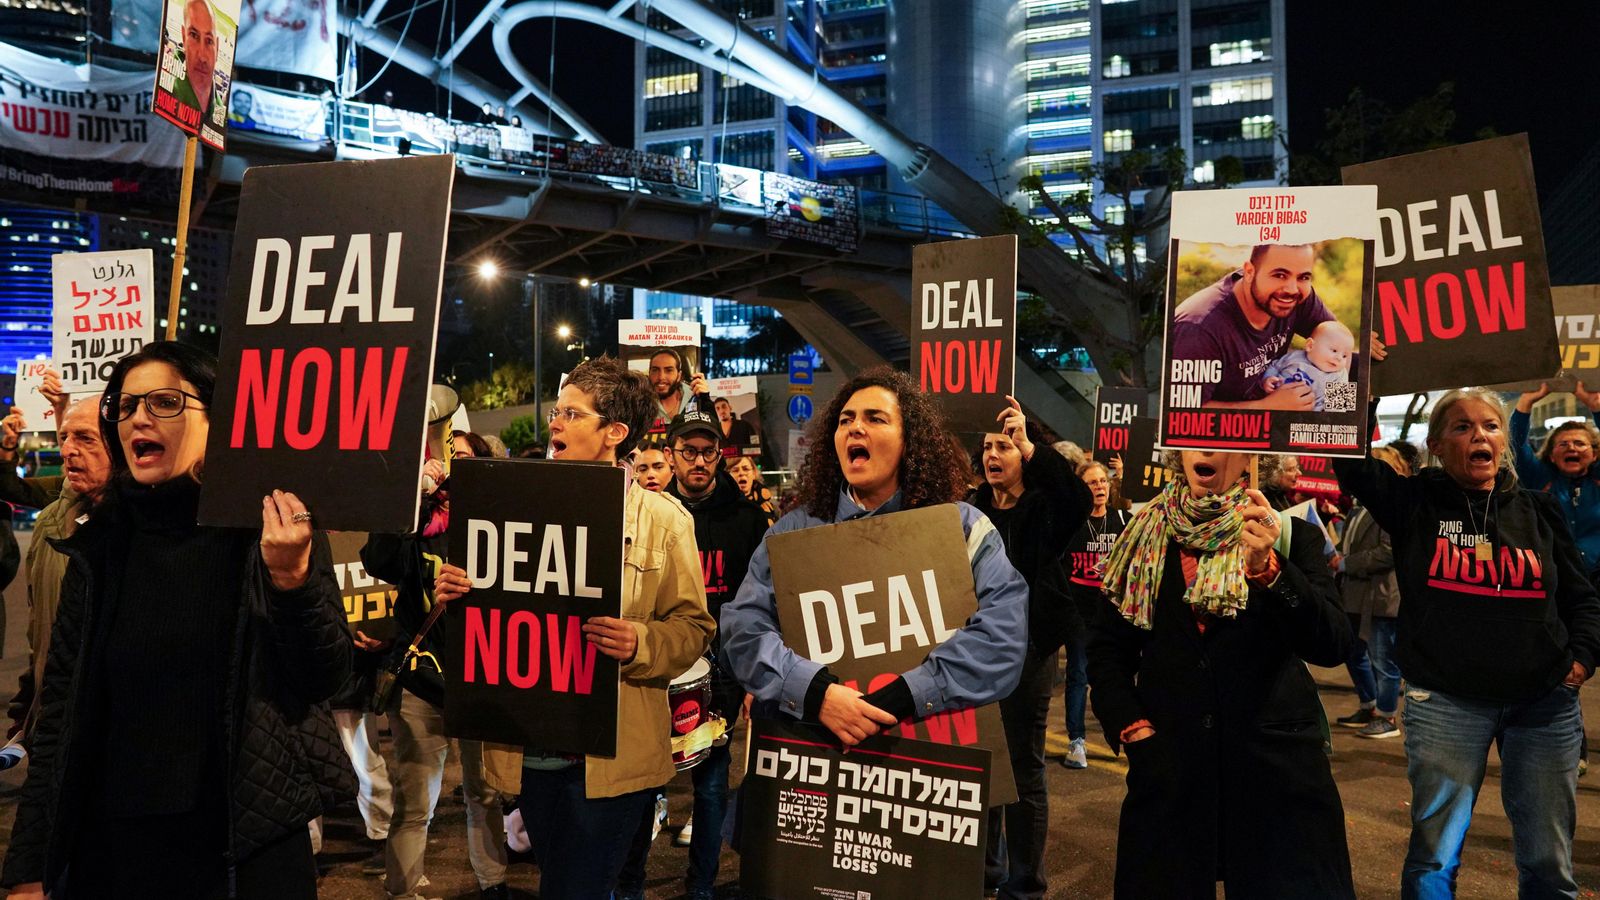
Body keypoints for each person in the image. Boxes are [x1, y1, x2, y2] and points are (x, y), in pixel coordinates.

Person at [0, 341, 353, 900]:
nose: (138, 416)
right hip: (115, 856)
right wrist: (27, 866)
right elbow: (62, 721)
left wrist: (291, 580)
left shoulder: (268, 534)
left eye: (164, 401)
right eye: (127, 404)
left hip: (243, 850)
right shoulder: (96, 549)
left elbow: (324, 677)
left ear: (217, 419)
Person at [434, 356, 715, 899]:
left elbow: (694, 626)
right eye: (556, 410)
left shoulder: (663, 520)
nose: (554, 423)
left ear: (614, 432)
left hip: (609, 763)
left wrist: (642, 642)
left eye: (570, 412)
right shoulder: (513, 507)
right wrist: (459, 597)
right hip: (531, 756)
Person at [1333, 389, 1600, 898]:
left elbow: (1582, 599)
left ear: (1505, 441)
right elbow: (1350, 461)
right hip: (1447, 704)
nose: (1480, 435)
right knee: (1435, 854)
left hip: (1543, 706)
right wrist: (1359, 391)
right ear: (1435, 444)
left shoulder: (1539, 510)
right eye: (1461, 427)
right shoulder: (1415, 503)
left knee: (1549, 859)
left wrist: (1583, 659)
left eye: (1491, 426)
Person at [1088, 448, 1355, 899]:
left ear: (1254, 458)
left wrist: (1271, 572)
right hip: (1172, 770)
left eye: (1225, 442)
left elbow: (1332, 645)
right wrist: (1134, 730)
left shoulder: (1292, 535)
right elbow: (1107, 651)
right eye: (1194, 440)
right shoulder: (1141, 536)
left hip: (1275, 776)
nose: (1207, 449)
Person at [721, 367, 1029, 748]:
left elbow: (1003, 635)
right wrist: (815, 693)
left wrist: (906, 694)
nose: (854, 428)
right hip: (818, 768)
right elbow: (742, 630)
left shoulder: (962, 528)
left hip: (929, 769)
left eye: (875, 418)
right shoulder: (792, 534)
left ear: (909, 440)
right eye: (845, 419)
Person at [618, 410, 769, 900]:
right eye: (688, 452)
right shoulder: (651, 517)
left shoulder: (747, 520)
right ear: (672, 454)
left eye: (708, 452)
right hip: (656, 669)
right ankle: (631, 882)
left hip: (722, 675)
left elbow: (763, 606)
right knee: (645, 784)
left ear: (720, 456)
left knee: (708, 788)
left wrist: (749, 680)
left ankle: (700, 886)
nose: (698, 462)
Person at [361, 436, 510, 900]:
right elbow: (378, 559)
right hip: (422, 684)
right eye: (449, 458)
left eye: (465, 457)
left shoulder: (501, 523)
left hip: (479, 680)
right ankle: (402, 890)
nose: (454, 465)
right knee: (414, 800)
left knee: (484, 795)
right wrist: (416, 496)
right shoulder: (422, 522)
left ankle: (494, 885)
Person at [968, 398, 1091, 900]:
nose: (994, 455)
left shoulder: (1046, 507)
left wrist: (1031, 445)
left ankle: (1025, 884)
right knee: (980, 764)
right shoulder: (971, 508)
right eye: (988, 447)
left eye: (1004, 446)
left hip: (1028, 651)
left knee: (1022, 767)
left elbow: (1078, 499)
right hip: (973, 651)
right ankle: (984, 872)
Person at [0, 390, 111, 752]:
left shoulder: (149, 527)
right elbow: (42, 628)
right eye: (64, 438)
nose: (66, 451)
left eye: (84, 438)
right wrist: (29, 699)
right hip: (54, 721)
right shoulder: (51, 521)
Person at [1171, 243, 1376, 410]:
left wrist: (1334, 418)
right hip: (1228, 433)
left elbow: (1338, 340)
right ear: (1249, 271)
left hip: (1286, 399)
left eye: (1303, 277)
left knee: (1361, 364)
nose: (1292, 289)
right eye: (1279, 275)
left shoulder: (1297, 297)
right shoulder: (1199, 328)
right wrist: (1266, 408)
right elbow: (1184, 411)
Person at [1058, 459, 1132, 768]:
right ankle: (1077, 743)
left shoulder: (1123, 519)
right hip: (1080, 614)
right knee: (1078, 676)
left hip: (1114, 614)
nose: (1100, 487)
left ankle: (1128, 734)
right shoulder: (1071, 524)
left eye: (1103, 481)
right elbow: (1060, 570)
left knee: (1120, 676)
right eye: (1092, 482)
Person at [1334, 445, 1408, 740]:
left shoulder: (1394, 505)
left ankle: (1388, 716)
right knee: (1352, 651)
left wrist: (1346, 563)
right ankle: (1369, 704)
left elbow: (1388, 552)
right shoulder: (1358, 505)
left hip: (1382, 596)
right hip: (1356, 594)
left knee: (1383, 659)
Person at [1262, 320, 1356, 411]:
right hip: (1276, 404)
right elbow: (1275, 366)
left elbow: (1339, 408)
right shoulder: (1295, 356)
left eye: (1344, 356)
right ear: (1310, 346)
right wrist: (1268, 378)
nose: (1339, 358)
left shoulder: (1339, 375)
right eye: (1334, 351)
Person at [168, 0, 218, 121]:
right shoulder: (168, 90)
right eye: (194, 35)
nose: (202, 56)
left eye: (209, 40)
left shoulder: (219, 109)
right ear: (184, 37)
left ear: (218, 47)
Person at [725, 454, 778, 526]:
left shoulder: (771, 507)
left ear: (754, 473)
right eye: (735, 470)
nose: (741, 473)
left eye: (746, 469)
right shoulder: (720, 507)